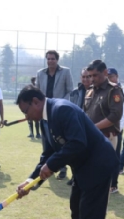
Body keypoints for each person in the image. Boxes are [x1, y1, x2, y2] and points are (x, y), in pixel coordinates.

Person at [15, 85, 118, 219]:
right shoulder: (45, 120)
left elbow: (77, 143)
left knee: (89, 217)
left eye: (26, 111)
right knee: (76, 209)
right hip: (83, 167)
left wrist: (52, 166)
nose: (27, 117)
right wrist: (30, 181)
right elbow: (47, 154)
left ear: (36, 101)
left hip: (98, 165)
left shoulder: (62, 109)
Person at [35, 50, 74, 180]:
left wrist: (60, 103)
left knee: (60, 141)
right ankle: (47, 166)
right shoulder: (40, 73)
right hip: (44, 112)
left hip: (58, 113)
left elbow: (70, 91)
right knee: (47, 142)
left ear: (57, 60)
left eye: (53, 58)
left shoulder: (65, 72)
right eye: (48, 59)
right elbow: (37, 93)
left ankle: (62, 169)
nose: (50, 61)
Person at [83, 60, 123, 149]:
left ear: (105, 72)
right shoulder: (90, 90)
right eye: (90, 76)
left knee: (103, 163)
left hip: (106, 138)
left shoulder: (113, 90)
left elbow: (115, 115)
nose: (92, 79)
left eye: (95, 75)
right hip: (90, 137)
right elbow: (85, 112)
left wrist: (93, 127)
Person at [107, 67, 124, 194]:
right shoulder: (106, 90)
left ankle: (114, 184)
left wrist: (118, 128)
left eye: (111, 76)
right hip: (104, 130)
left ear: (116, 76)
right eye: (107, 77)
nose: (109, 79)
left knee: (115, 157)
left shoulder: (123, 91)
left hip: (116, 130)